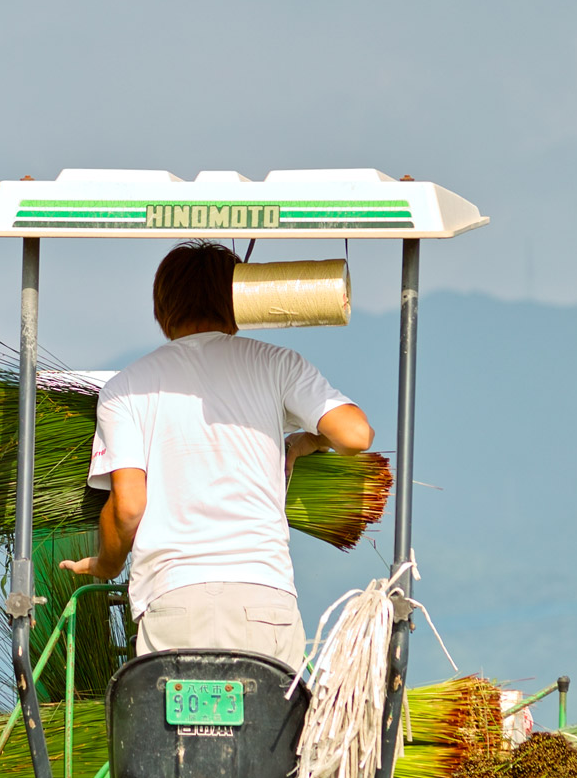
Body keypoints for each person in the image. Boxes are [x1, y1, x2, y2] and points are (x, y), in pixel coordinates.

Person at [58, 240, 372, 670]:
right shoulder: (278, 364)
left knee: (174, 737)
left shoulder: (126, 389)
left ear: (162, 307)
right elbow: (355, 434)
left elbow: (129, 507)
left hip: (172, 600)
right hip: (265, 598)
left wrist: (107, 563)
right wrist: (306, 441)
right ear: (240, 301)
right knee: (273, 735)